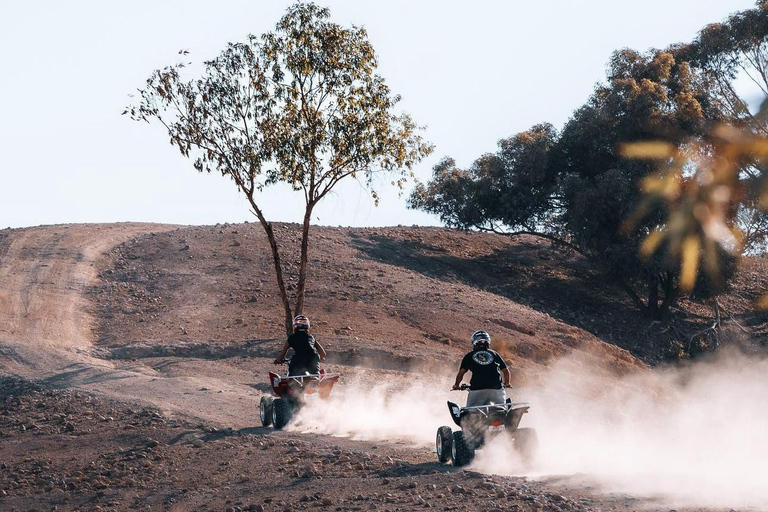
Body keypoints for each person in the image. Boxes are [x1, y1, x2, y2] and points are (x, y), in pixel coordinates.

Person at [452, 330, 511, 407]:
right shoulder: (494, 354)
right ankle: (504, 414)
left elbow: (461, 372)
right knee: (502, 408)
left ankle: (471, 416)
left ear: (474, 342)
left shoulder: (470, 355)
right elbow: (506, 371)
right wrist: (507, 384)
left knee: (471, 411)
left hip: (477, 389)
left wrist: (456, 385)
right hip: (496, 389)